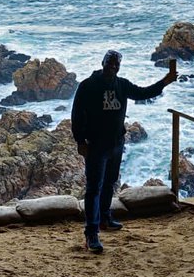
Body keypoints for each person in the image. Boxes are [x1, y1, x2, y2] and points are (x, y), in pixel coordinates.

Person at [71, 49, 177, 253]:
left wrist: (166, 81)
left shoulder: (121, 84)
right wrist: (80, 141)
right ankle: (91, 232)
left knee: (109, 183)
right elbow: (77, 115)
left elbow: (143, 93)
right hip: (95, 145)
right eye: (110, 63)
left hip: (116, 144)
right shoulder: (88, 86)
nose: (113, 67)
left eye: (116, 64)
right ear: (103, 63)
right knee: (94, 188)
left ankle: (104, 218)